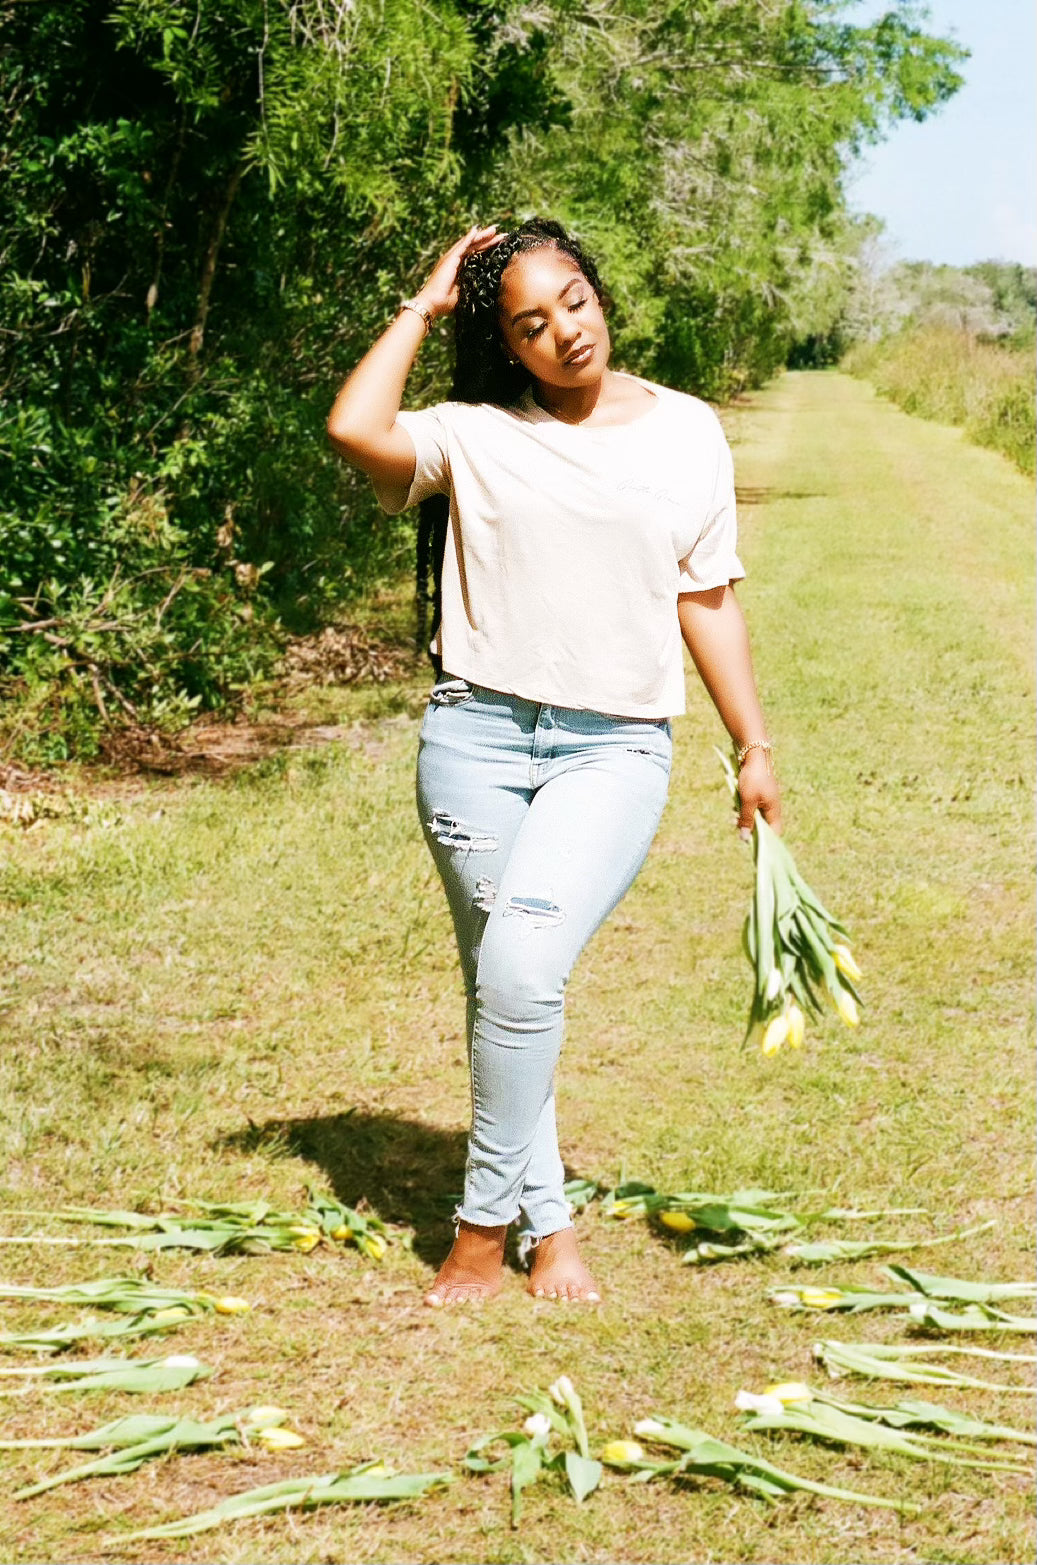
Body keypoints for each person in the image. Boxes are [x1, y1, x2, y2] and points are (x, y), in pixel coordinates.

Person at [327, 217, 781, 1308]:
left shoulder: (686, 430)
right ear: (507, 345)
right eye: (529, 323)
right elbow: (351, 427)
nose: (564, 332)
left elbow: (703, 596)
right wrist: (425, 301)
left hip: (612, 746)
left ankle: (481, 1227)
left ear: (597, 292)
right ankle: (552, 1222)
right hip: (473, 740)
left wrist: (751, 744)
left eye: (572, 300)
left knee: (523, 969)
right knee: (505, 984)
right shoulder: (470, 433)